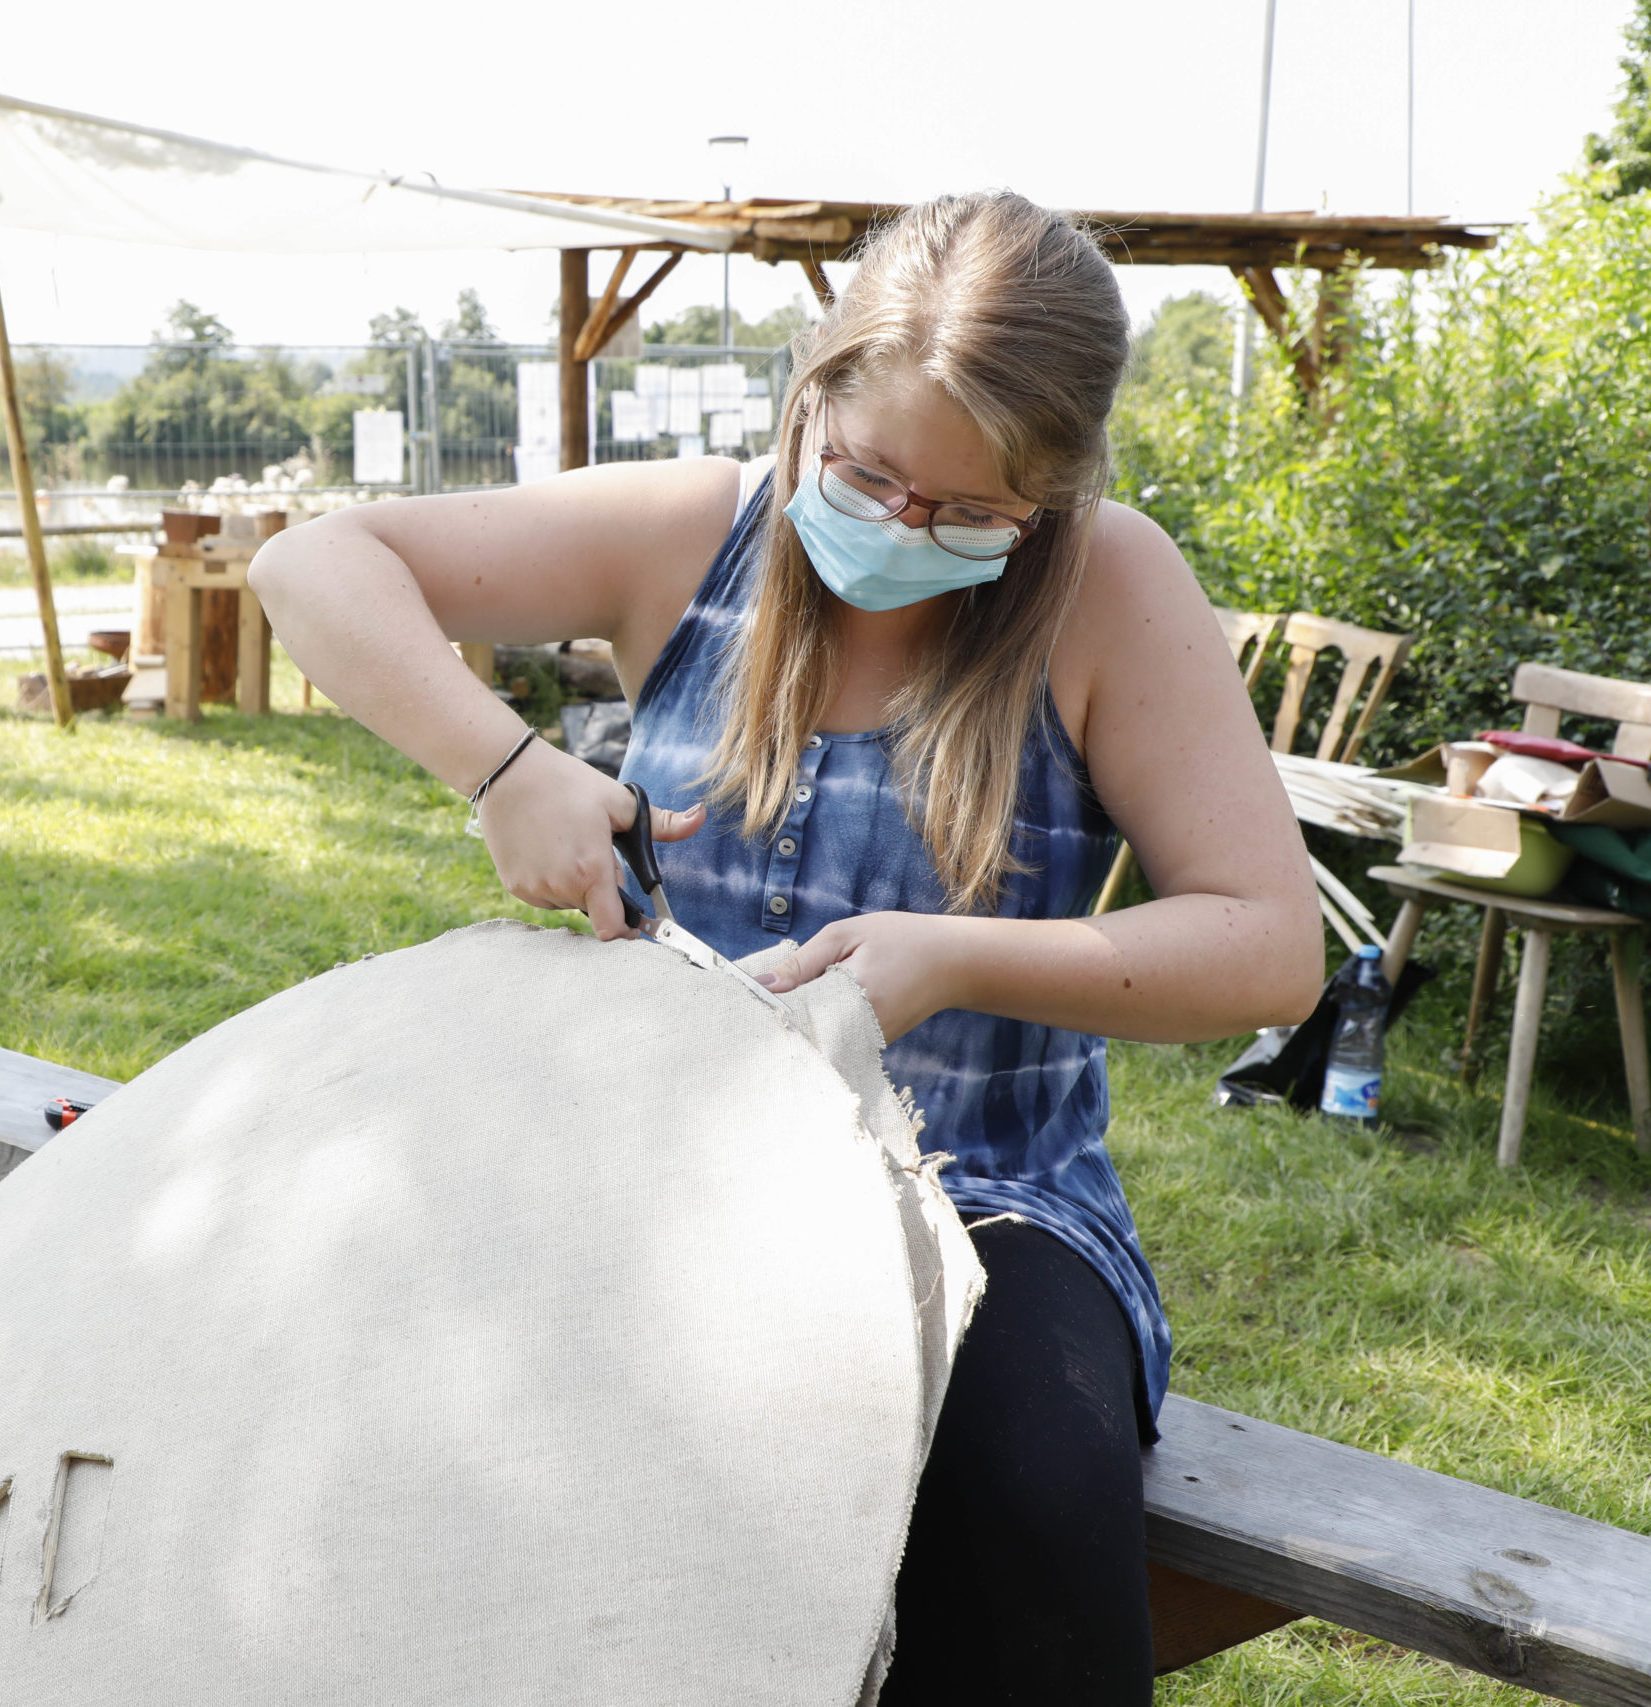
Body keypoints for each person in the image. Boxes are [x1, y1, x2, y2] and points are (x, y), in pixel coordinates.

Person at [250, 190, 1320, 1704]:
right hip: (655, 1171)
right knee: (439, 1436)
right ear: (813, 386)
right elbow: (316, 564)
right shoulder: (692, 534)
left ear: (1056, 491)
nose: (896, 531)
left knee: (1020, 1504)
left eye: (965, 513)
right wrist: (507, 769)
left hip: (984, 1201)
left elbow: (1270, 947)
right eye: (870, 474)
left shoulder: (1106, 584)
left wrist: (953, 958)